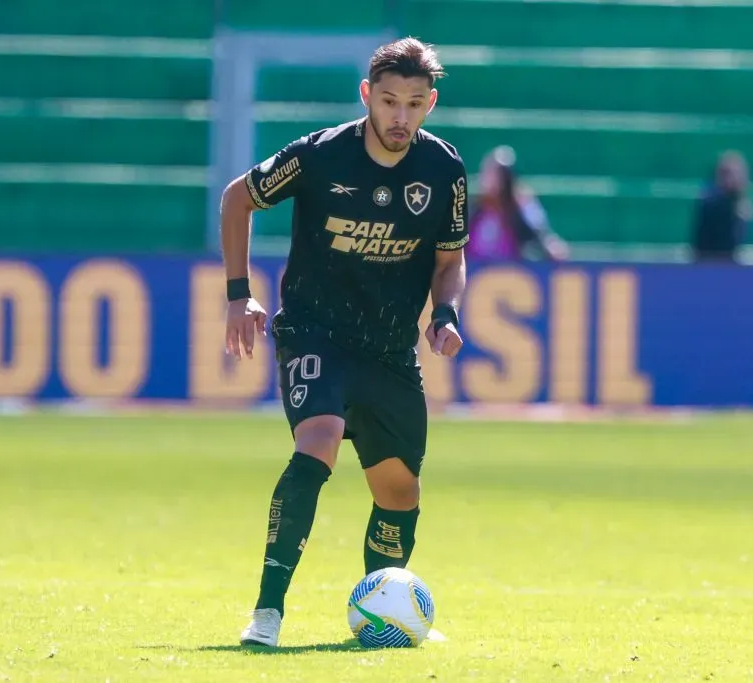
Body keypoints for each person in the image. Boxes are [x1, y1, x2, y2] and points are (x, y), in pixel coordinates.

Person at [219, 37, 468, 648]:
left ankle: (383, 613)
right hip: (315, 329)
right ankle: (267, 612)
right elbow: (237, 198)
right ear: (366, 96)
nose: (400, 117)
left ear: (430, 103)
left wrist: (446, 313)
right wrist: (237, 293)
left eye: (413, 104)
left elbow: (450, 258)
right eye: (388, 101)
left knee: (399, 490)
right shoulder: (318, 156)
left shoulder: (444, 170)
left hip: (388, 348)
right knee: (320, 440)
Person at [468, 145, 569, 262]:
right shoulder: (473, 206)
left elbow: (540, 234)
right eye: (491, 173)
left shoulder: (522, 205)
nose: (493, 181)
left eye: (501, 175)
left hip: (512, 272)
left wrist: (552, 246)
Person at [690, 150, 753, 264]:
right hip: (713, 267)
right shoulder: (713, 205)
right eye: (731, 174)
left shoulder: (740, 203)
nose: (739, 178)